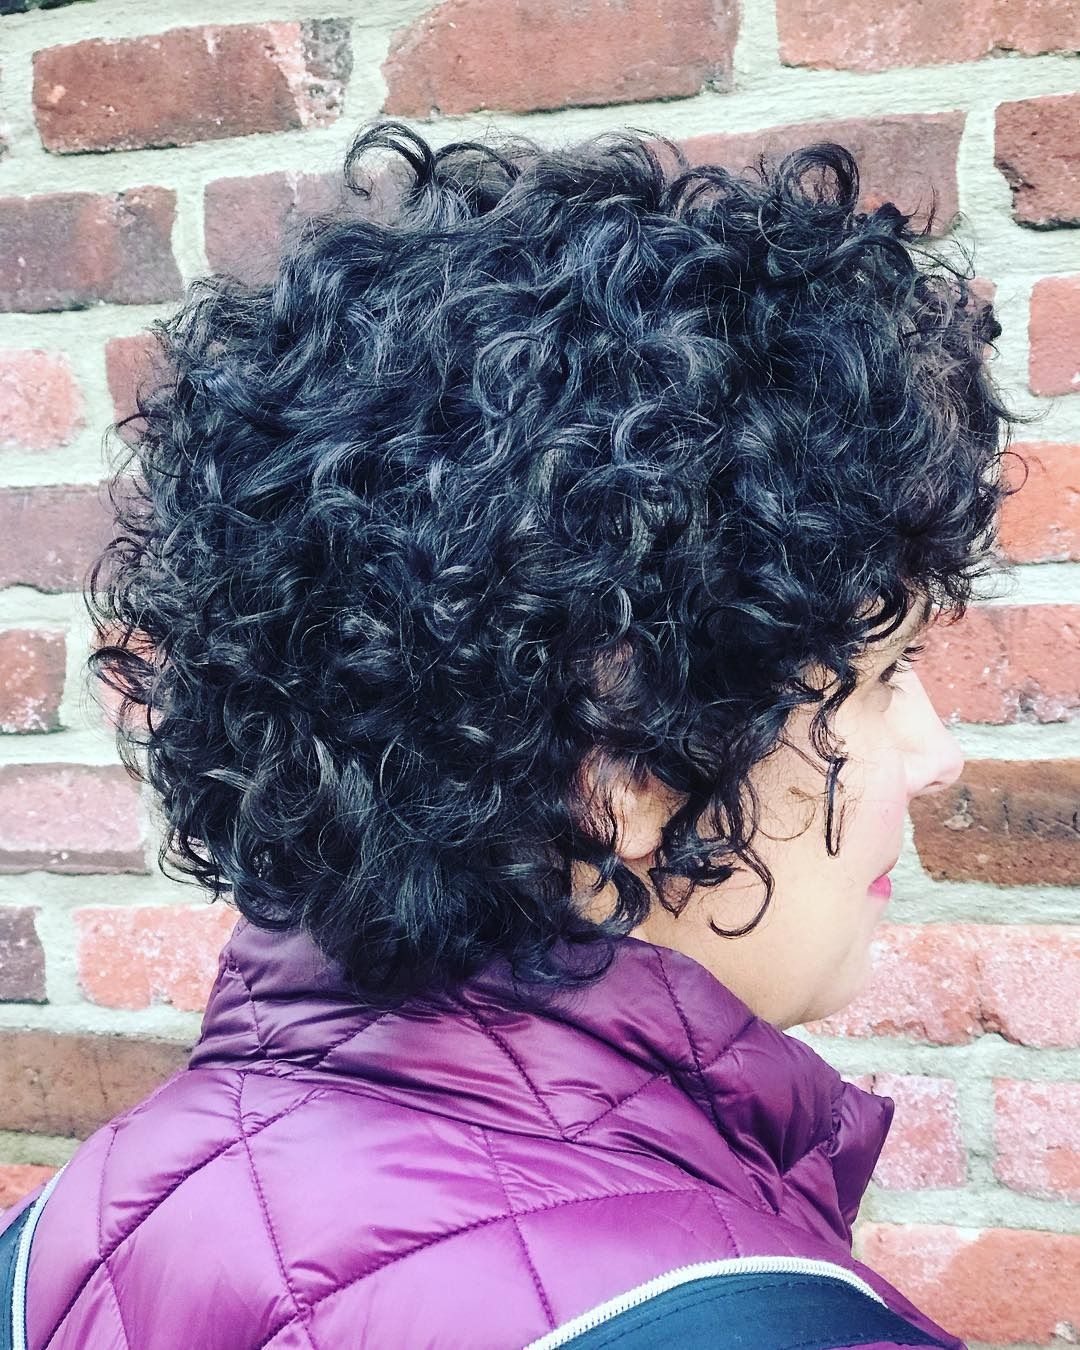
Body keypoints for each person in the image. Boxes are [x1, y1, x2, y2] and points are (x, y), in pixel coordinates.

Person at [0, 119, 1023, 1348]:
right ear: (626, 755)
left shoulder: (59, 1239)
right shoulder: (765, 1328)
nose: (936, 752)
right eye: (878, 671)